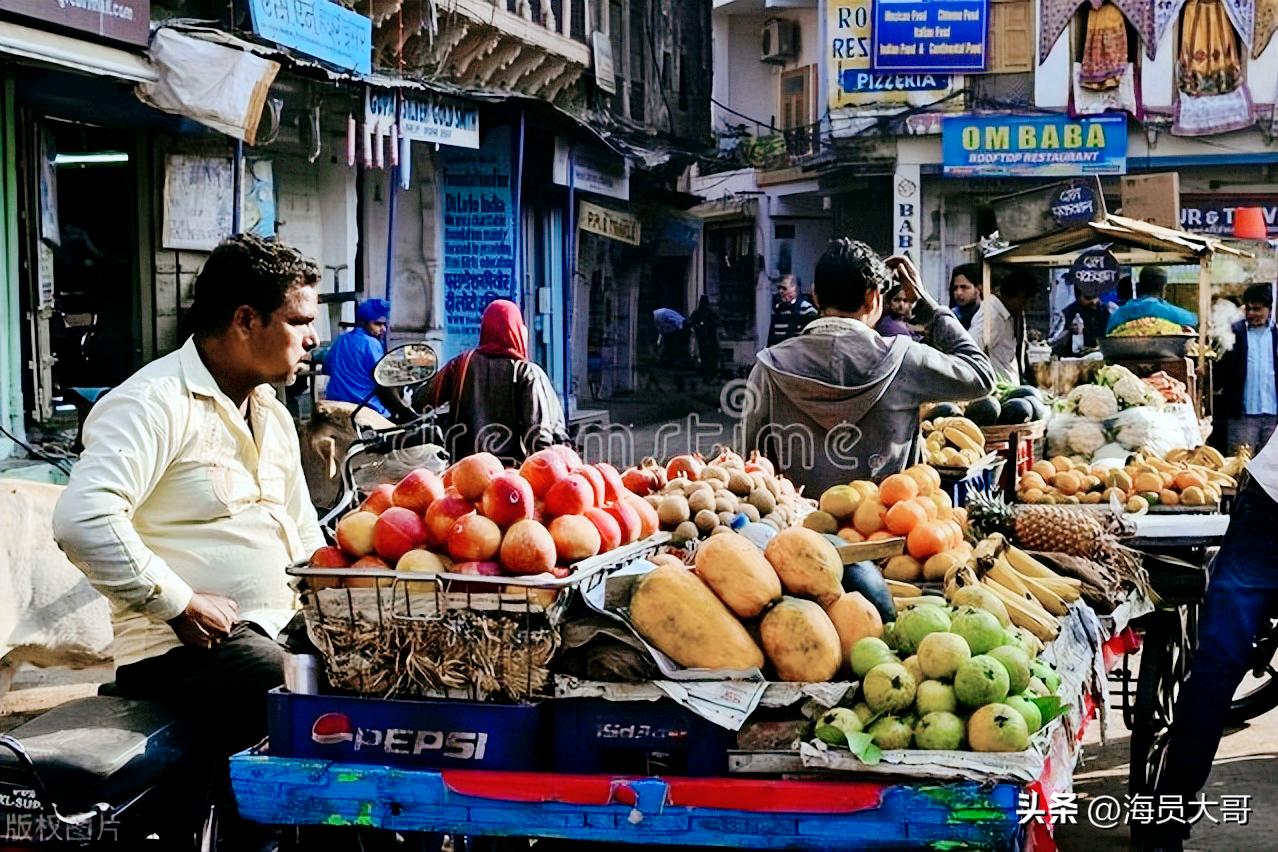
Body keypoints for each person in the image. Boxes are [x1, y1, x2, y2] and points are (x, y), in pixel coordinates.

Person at [51, 234, 326, 755]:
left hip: (274, 631)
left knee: (383, 682)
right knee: (309, 697)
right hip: (181, 653)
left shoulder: (272, 413)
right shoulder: (152, 403)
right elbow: (82, 518)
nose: (313, 338)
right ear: (246, 321)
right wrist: (180, 603)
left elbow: (302, 532)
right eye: (300, 322)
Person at [743, 239, 996, 493]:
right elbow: (982, 376)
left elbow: (751, 465)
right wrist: (928, 308)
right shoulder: (904, 359)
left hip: (797, 528)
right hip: (892, 526)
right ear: (873, 297)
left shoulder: (769, 367)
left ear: (816, 296)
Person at [1143, 434, 1278, 851]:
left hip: (1268, 503)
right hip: (1270, 507)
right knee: (1215, 672)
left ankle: (1167, 822)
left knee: (1216, 667)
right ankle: (1168, 817)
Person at [419, 300, 568, 463]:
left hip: (462, 474)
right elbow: (539, 438)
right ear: (516, 330)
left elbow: (421, 402)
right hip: (510, 476)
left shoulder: (460, 365)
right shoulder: (526, 372)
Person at [322, 298, 414, 420]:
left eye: (384, 324)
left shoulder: (340, 340)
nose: (383, 329)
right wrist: (403, 410)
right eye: (377, 324)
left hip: (335, 406)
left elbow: (327, 368)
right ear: (362, 323)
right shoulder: (371, 344)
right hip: (366, 410)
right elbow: (384, 382)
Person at [1217, 283, 1278, 453]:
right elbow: (1221, 369)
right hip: (1243, 416)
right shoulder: (1233, 334)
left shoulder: (1277, 335)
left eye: (1257, 309)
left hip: (1274, 417)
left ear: (1269, 309)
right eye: (1248, 309)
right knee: (1239, 469)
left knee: (1271, 473)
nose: (1251, 314)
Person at [969, 269, 1042, 384]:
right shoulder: (991, 316)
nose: (1029, 307)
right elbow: (971, 351)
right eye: (1029, 302)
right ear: (1020, 296)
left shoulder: (1013, 314)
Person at [1106, 267, 1198, 333]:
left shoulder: (1118, 315)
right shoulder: (1181, 316)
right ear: (1163, 288)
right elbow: (1193, 323)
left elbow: (1109, 334)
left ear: (1140, 286)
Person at [1050, 285, 1113, 355]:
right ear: (1078, 297)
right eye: (1088, 298)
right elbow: (1054, 342)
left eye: (1095, 297)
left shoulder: (1105, 311)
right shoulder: (1067, 314)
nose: (1094, 301)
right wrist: (1069, 331)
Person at [767, 274, 818, 346]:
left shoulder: (806, 309)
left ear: (794, 288)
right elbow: (772, 335)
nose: (780, 291)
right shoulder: (778, 308)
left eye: (784, 288)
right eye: (779, 288)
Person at [688, 294, 722, 381]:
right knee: (705, 356)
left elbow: (717, 322)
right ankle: (706, 373)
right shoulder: (698, 312)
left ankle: (711, 373)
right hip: (703, 337)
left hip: (710, 337)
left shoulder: (710, 312)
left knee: (711, 356)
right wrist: (698, 326)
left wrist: (710, 326)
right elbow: (691, 321)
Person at [949, 264, 983, 330]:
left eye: (964, 287)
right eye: (955, 288)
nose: (958, 292)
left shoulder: (985, 315)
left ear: (978, 288)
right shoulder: (951, 316)